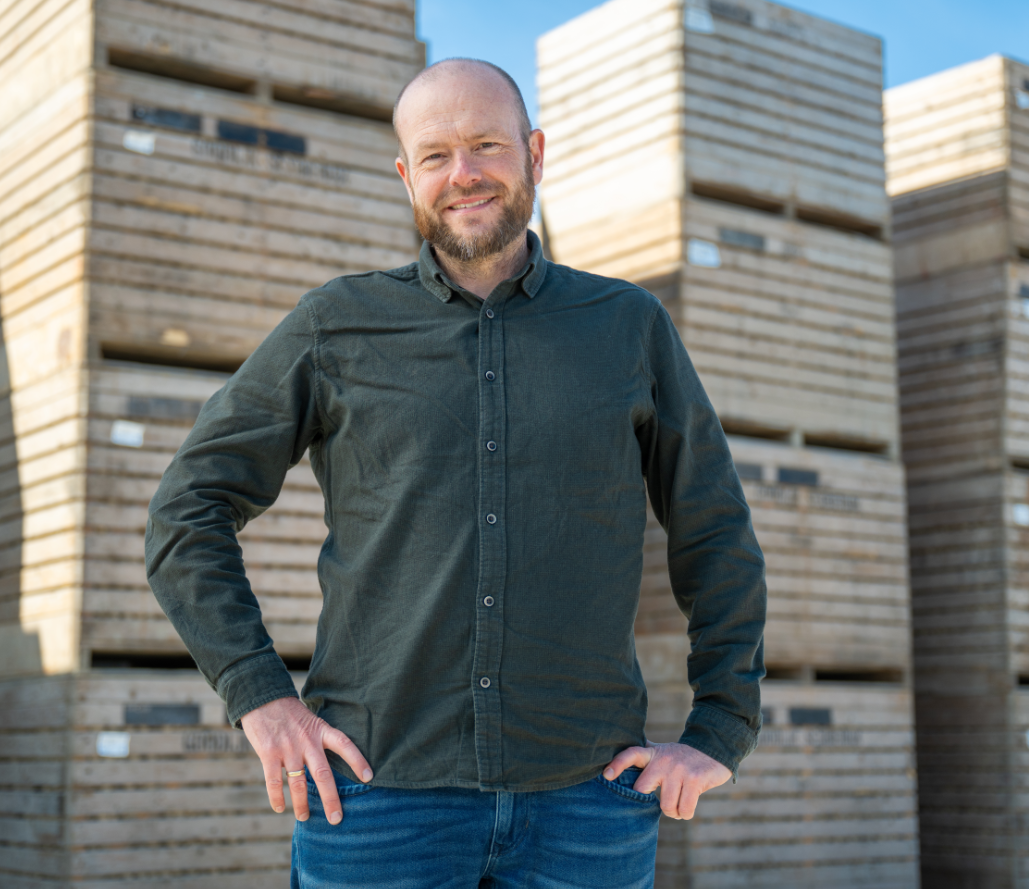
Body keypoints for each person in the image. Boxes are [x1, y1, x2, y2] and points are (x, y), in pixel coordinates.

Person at [146, 57, 766, 888]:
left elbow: (714, 529)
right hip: (376, 802)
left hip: (585, 806)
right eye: (435, 155)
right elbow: (187, 508)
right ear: (407, 177)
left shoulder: (627, 326)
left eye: (486, 145)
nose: (463, 173)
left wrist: (719, 729)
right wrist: (259, 693)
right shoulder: (336, 325)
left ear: (533, 154)